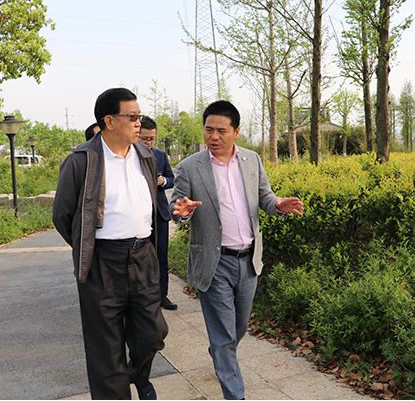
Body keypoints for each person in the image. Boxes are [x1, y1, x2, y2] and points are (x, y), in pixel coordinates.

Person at [168, 100, 304, 400]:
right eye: (209, 130)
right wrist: (182, 212)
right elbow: (175, 207)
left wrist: (278, 204)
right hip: (214, 262)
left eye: (221, 131)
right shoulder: (190, 166)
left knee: (238, 326)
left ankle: (220, 350)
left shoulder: (251, 160)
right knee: (225, 334)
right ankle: (235, 393)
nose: (214, 137)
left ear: (236, 131)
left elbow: (265, 197)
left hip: (249, 260)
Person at [52, 87, 168, 400]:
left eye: (139, 116)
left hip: (142, 258)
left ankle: (135, 375)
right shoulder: (81, 161)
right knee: (106, 349)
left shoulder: (146, 157)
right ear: (109, 121)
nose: (138, 122)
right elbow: (63, 216)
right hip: (102, 263)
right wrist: (89, 246)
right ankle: (115, 386)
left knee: (154, 333)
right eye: (132, 116)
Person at [138, 116, 178, 310]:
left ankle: (162, 295)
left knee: (161, 256)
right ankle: (144, 297)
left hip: (160, 214)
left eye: (151, 139)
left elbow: (172, 178)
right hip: (139, 216)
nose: (148, 142)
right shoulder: (130, 156)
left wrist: (164, 181)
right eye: (144, 138)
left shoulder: (161, 155)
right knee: (141, 259)